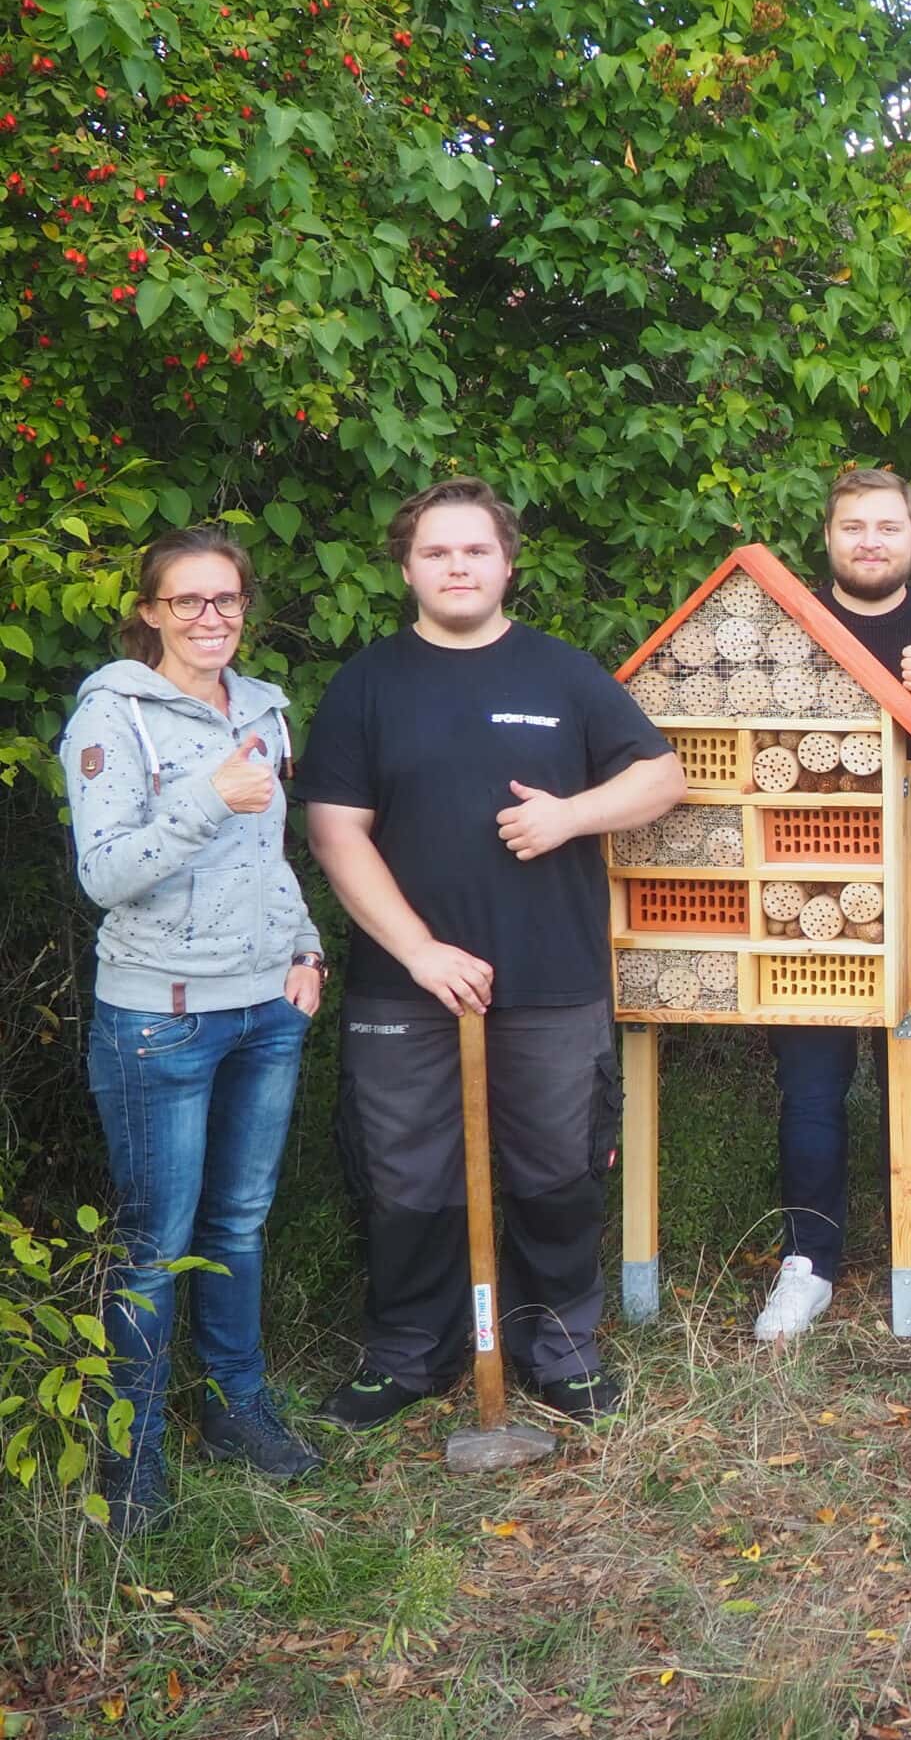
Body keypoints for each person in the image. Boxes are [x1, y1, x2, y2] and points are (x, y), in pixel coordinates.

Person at [301, 477, 687, 1429]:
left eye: (475, 550)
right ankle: (408, 1356)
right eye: (437, 552)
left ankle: (558, 1350)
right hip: (407, 985)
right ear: (407, 569)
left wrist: (570, 816)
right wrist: (423, 951)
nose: (458, 566)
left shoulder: (563, 675)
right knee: (404, 1178)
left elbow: (661, 776)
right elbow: (336, 834)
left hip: (552, 978)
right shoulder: (367, 684)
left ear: (508, 565)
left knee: (559, 1171)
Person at [64, 530, 330, 1534]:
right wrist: (206, 796)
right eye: (187, 603)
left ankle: (235, 1411)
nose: (209, 619)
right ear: (150, 612)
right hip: (161, 1021)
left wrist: (305, 950)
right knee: (154, 1245)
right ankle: (129, 1458)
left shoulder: (263, 706)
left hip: (266, 1009)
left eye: (225, 601)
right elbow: (106, 873)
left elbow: (269, 854)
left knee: (238, 1226)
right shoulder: (114, 715)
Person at [753, 467, 911, 1342]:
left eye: (886, 528)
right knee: (812, 1085)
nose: (870, 541)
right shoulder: (785, 621)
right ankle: (808, 1261)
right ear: (827, 537)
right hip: (804, 895)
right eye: (853, 526)